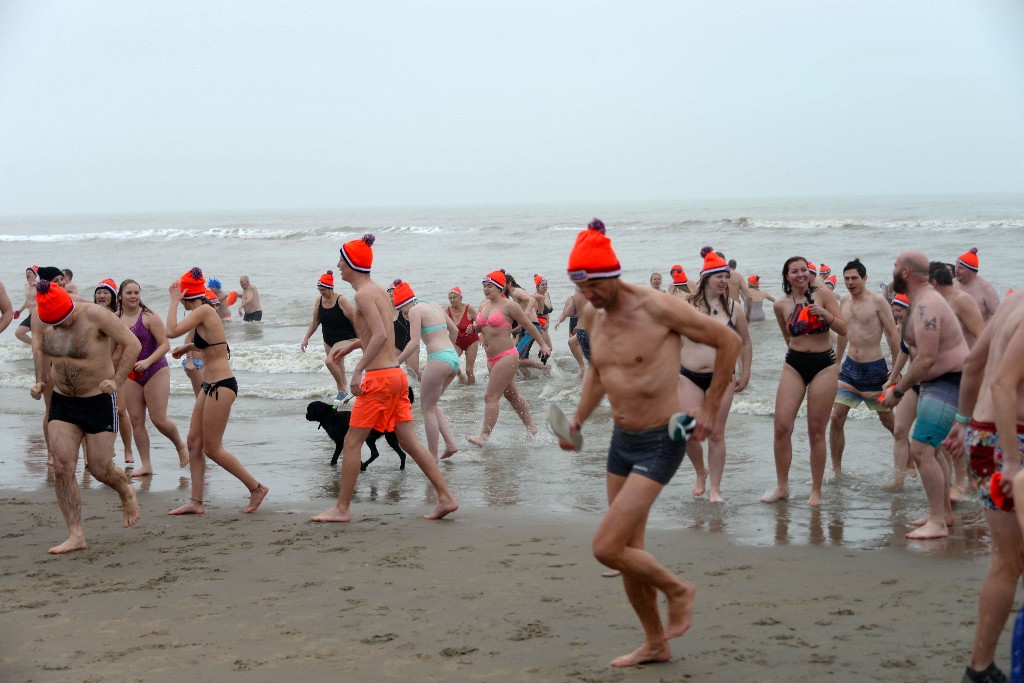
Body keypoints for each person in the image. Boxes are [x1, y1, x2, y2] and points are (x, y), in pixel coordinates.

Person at [556, 218, 740, 668]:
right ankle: (656, 642)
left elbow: (728, 340)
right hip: (621, 439)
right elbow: (600, 371)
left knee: (606, 547)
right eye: (580, 288)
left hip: (663, 437)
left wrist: (711, 408)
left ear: (612, 275)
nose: (589, 297)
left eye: (594, 286)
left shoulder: (657, 307)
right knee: (627, 551)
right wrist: (577, 419)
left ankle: (678, 589)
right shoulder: (592, 313)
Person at [310, 234, 458, 523]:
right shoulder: (378, 291)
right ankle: (446, 497)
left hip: (378, 380)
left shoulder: (363, 294)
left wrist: (356, 369)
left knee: (352, 442)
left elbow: (379, 336)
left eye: (342, 259)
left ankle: (341, 509)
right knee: (410, 442)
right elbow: (381, 334)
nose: (338, 265)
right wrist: (354, 345)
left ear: (353, 263)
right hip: (396, 377)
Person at [941, 294, 1024, 683]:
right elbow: (1005, 383)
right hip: (1010, 444)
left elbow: (974, 362)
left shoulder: (1015, 301)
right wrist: (1010, 460)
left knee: (1007, 562)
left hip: (984, 434)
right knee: (1010, 562)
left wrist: (962, 420)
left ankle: (980, 667)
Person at [29, 279, 142, 554]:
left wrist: (116, 380)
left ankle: (125, 490)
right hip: (63, 401)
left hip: (98, 400)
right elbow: (40, 349)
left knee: (100, 469)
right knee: (62, 467)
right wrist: (39, 382)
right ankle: (75, 534)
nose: (57, 328)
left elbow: (133, 344)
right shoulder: (41, 317)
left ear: (70, 310)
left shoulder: (96, 315)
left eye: (62, 322)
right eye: (51, 324)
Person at [879, 250, 968, 539]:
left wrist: (899, 390)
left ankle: (938, 523)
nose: (892, 270)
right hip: (937, 381)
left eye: (895, 266)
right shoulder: (923, 301)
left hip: (949, 381)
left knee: (921, 449)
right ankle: (942, 514)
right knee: (932, 449)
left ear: (905, 272)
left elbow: (927, 358)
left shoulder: (927, 305)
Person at [166, 267, 268, 515]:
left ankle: (256, 488)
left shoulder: (202, 310)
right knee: (194, 442)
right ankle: (196, 502)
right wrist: (189, 346)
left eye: (182, 298)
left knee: (212, 448)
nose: (182, 303)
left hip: (222, 385)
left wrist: (172, 302)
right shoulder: (205, 313)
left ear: (188, 296)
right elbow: (217, 343)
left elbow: (170, 330)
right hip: (209, 384)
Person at [764, 256, 846, 506]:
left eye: (803, 270)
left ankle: (816, 491)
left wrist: (825, 315)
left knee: (815, 431)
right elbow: (787, 337)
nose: (800, 274)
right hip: (794, 364)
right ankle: (782, 486)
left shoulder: (824, 296)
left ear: (809, 273)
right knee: (781, 427)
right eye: (794, 271)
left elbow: (844, 329)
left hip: (824, 364)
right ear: (786, 276)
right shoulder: (780, 304)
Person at [678, 250, 750, 503]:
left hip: (723, 378)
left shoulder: (734, 309)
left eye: (726, 276)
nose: (724, 281)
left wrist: (746, 372)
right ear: (707, 277)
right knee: (684, 430)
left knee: (716, 434)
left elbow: (745, 343)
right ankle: (701, 472)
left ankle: (715, 489)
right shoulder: (686, 306)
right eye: (719, 276)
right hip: (688, 376)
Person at [828, 258, 900, 478]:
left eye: (854, 278)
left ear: (864, 278)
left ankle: (909, 463)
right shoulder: (844, 302)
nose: (850, 282)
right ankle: (837, 471)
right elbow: (843, 334)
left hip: (874, 370)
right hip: (849, 368)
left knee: (888, 422)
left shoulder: (878, 302)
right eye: (847, 278)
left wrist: (896, 374)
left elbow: (893, 337)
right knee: (836, 417)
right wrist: (837, 362)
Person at [467, 269, 551, 446]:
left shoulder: (509, 306)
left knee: (490, 396)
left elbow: (528, 324)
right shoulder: (485, 306)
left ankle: (483, 436)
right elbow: (481, 326)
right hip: (491, 359)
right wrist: (473, 328)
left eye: (489, 286)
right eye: (484, 286)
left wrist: (543, 345)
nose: (486, 289)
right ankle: (531, 426)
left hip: (506, 356)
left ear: (499, 287)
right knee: (512, 395)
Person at [118, 279, 189, 477]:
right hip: (131, 374)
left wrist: (148, 362)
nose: (133, 296)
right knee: (137, 420)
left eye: (136, 293)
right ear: (121, 295)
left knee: (158, 419)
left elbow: (165, 344)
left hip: (155, 369)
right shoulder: (115, 319)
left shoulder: (148, 316)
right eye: (129, 293)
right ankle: (146, 465)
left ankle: (180, 446)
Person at [393, 280, 461, 460]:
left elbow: (414, 342)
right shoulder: (433, 304)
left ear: (406, 303)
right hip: (452, 359)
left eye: (402, 309)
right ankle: (451, 444)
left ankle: (432, 457)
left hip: (438, 359)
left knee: (427, 409)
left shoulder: (415, 310)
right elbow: (454, 330)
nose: (403, 314)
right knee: (432, 404)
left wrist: (396, 362)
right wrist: (450, 352)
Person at [93, 278, 134, 465]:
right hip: (93, 370)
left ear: (113, 297)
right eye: (98, 292)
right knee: (96, 412)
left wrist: (112, 368)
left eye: (105, 292)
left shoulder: (118, 317)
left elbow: (122, 347)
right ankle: (105, 450)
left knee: (120, 411)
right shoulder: (90, 315)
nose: (101, 295)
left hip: (114, 370)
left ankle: (128, 450)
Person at [301, 270, 358, 403]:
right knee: (338, 366)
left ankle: (342, 390)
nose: (321, 292)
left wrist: (360, 338)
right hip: (328, 339)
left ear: (330, 288)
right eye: (319, 289)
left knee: (330, 361)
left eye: (323, 290)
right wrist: (306, 338)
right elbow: (315, 321)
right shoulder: (319, 300)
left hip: (346, 337)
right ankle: (344, 394)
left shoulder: (341, 300)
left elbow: (354, 319)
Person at [954, 248, 1000, 323]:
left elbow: (998, 315)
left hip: (979, 333)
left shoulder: (985, 288)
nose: (956, 270)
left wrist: (983, 330)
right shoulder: (952, 284)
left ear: (972, 271)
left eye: (961, 268)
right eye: (956, 266)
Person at [445, 286, 479, 384]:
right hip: (457, 342)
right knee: (451, 363)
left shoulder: (469, 308)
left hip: (471, 341)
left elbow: (480, 322)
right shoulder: (447, 310)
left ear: (460, 298)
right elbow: (437, 322)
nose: (452, 300)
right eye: (450, 298)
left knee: (469, 370)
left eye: (454, 297)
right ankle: (460, 376)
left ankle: (472, 390)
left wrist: (475, 328)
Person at [553, 286, 587, 378]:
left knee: (581, 348)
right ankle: (583, 367)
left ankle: (585, 368)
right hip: (574, 324)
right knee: (575, 346)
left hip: (582, 323)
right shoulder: (571, 299)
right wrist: (558, 321)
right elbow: (565, 313)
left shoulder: (587, 298)